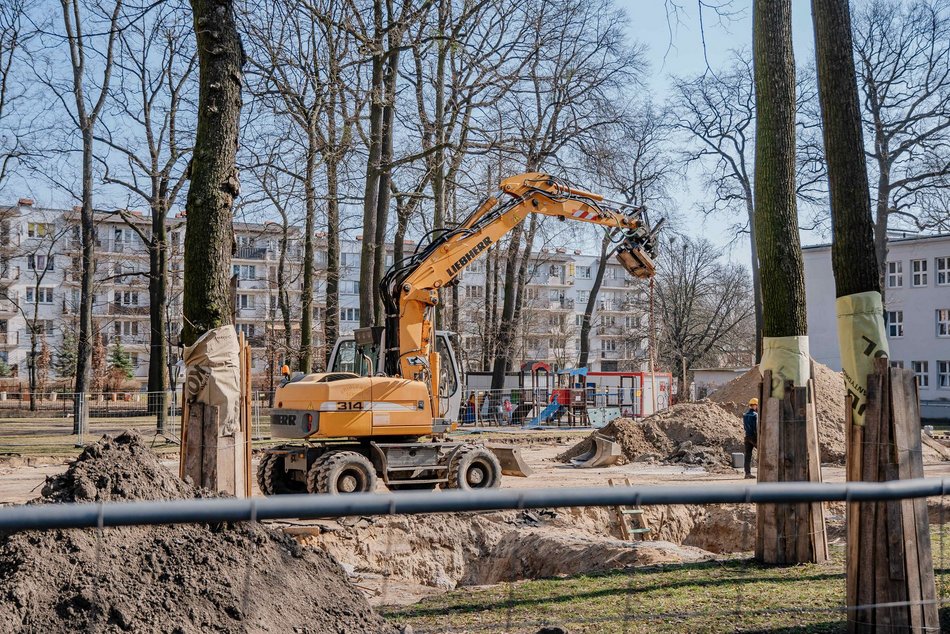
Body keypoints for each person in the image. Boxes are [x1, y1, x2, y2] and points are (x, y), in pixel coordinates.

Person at [743, 397, 758, 479]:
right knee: (763, 453)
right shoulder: (755, 415)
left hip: (747, 436)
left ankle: (747, 473)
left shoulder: (745, 415)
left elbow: (745, 427)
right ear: (755, 405)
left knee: (748, 456)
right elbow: (756, 427)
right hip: (754, 437)